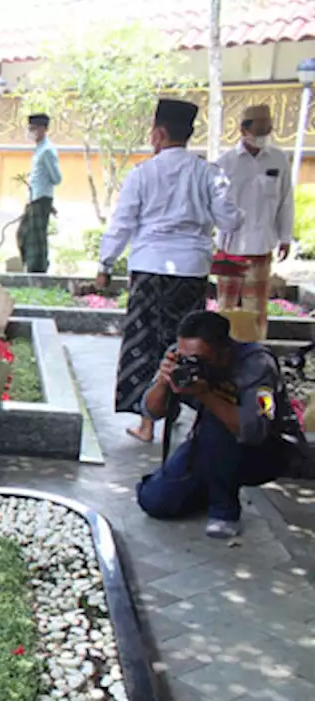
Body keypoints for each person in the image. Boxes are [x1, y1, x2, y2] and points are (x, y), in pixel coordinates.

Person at [98, 98, 243, 444]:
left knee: (144, 344)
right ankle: (187, 418)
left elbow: (122, 224)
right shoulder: (209, 173)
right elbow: (232, 219)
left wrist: (105, 264)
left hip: (149, 268)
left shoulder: (142, 173)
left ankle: (147, 424)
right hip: (191, 270)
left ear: (159, 134)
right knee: (188, 345)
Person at [136, 310, 299, 538]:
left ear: (225, 351)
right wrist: (163, 383)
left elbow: (257, 429)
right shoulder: (178, 356)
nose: (191, 364)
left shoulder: (260, 366)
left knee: (216, 419)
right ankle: (206, 487)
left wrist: (206, 395)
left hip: (268, 450)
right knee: (155, 500)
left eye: (200, 360)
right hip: (212, 446)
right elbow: (151, 412)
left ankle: (224, 511)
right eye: (186, 357)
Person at [214, 103, 295, 340]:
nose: (262, 137)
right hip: (230, 246)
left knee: (255, 309)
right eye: (258, 131)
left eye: (266, 132)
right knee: (226, 307)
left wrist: (285, 237)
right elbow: (215, 204)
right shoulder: (225, 162)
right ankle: (223, 354)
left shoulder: (278, 160)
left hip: (261, 245)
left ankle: (254, 354)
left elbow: (285, 202)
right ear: (243, 130)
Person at [17, 113, 62, 273]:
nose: (31, 132)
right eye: (30, 128)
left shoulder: (47, 151)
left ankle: (37, 270)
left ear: (43, 129)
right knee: (24, 234)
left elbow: (56, 178)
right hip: (34, 198)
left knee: (36, 238)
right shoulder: (39, 150)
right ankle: (30, 266)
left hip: (41, 199)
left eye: (34, 129)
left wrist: (46, 200)